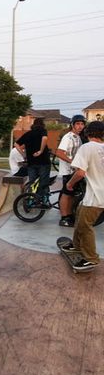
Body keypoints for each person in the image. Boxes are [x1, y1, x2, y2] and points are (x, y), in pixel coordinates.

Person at [64, 120, 104, 270]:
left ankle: (91, 258)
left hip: (95, 197)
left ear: (87, 133)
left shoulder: (86, 148)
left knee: (85, 225)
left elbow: (80, 172)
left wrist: (70, 184)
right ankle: (76, 245)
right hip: (95, 195)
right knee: (79, 217)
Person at [56, 115, 86, 227]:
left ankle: (69, 215)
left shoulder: (77, 137)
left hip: (75, 171)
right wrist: (72, 162)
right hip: (68, 171)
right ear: (72, 125)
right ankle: (64, 218)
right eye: (77, 124)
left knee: (72, 195)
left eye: (82, 124)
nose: (80, 126)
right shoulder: (68, 137)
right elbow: (59, 152)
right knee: (66, 194)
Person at [16, 117, 51, 208]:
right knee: (44, 182)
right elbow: (44, 139)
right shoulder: (43, 131)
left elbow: (16, 144)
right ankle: (44, 201)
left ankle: (31, 200)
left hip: (31, 163)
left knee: (32, 182)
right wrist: (41, 150)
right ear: (42, 125)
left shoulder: (28, 134)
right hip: (43, 162)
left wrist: (23, 154)